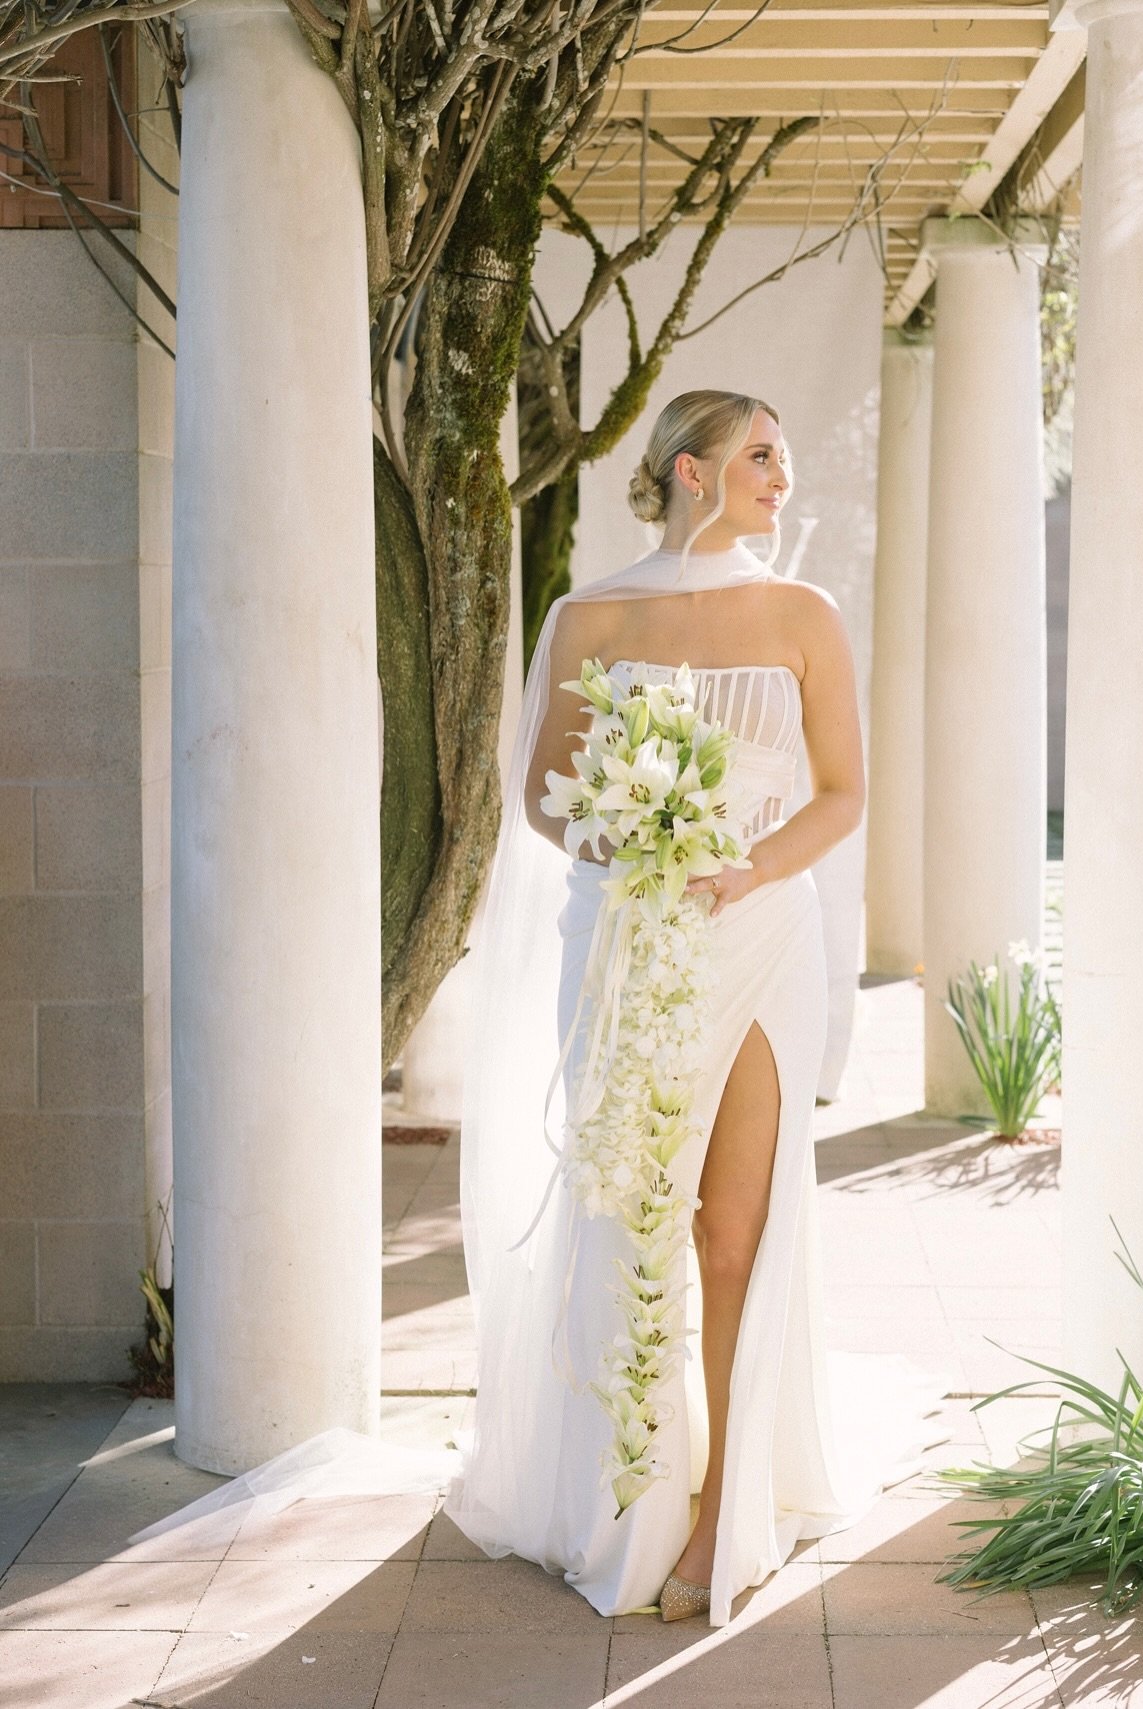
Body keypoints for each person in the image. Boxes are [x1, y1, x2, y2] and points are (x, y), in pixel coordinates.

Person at [445, 390, 945, 1626]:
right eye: (759, 455)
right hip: (624, 935)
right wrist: (624, 840)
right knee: (629, 1223)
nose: (782, 474)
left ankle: (726, 1501)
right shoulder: (591, 615)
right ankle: (629, 1493)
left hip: (762, 930)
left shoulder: (801, 613)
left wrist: (743, 868)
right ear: (688, 470)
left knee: (733, 1231)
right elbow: (543, 801)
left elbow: (840, 794)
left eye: (781, 453)